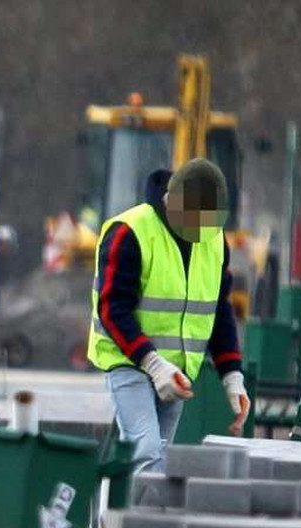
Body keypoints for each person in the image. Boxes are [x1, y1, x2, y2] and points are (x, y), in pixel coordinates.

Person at [87, 159, 250, 473]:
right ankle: (138, 521)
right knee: (146, 450)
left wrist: (232, 377)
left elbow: (219, 310)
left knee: (159, 461)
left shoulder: (214, 240)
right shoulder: (130, 231)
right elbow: (111, 308)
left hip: (176, 372)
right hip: (128, 359)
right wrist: (151, 363)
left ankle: (130, 518)